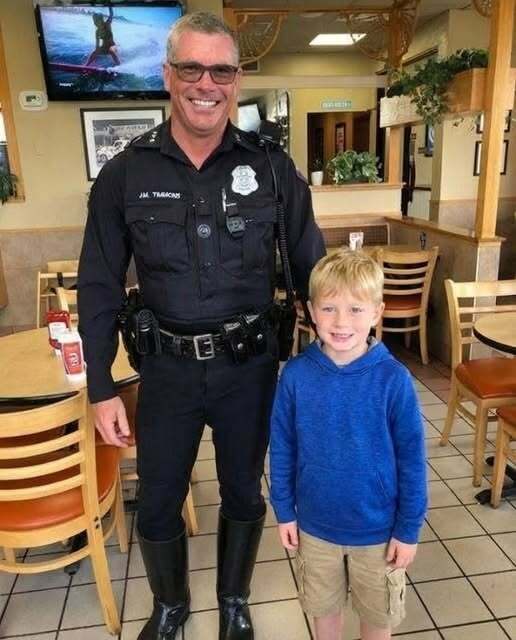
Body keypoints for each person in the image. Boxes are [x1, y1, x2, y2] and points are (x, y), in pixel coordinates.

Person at [77, 11, 325, 640]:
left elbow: (314, 270)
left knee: (243, 491)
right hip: (166, 372)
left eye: (221, 71)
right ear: (168, 75)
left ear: (237, 80)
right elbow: (99, 285)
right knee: (159, 498)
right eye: (191, 68)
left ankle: (234, 601)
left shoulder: (272, 168)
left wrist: (342, 364)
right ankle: (170, 605)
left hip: (250, 368)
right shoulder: (125, 174)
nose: (206, 83)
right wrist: (102, 386)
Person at [270, 249, 427, 640]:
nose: (341, 322)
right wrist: (284, 511)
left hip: (378, 531)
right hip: (315, 528)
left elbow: (412, 462)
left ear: (377, 312)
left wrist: (408, 529)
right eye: (329, 308)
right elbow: (283, 448)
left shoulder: (394, 380)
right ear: (310, 311)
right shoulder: (295, 376)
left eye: (356, 309)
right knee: (323, 615)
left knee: (377, 620)